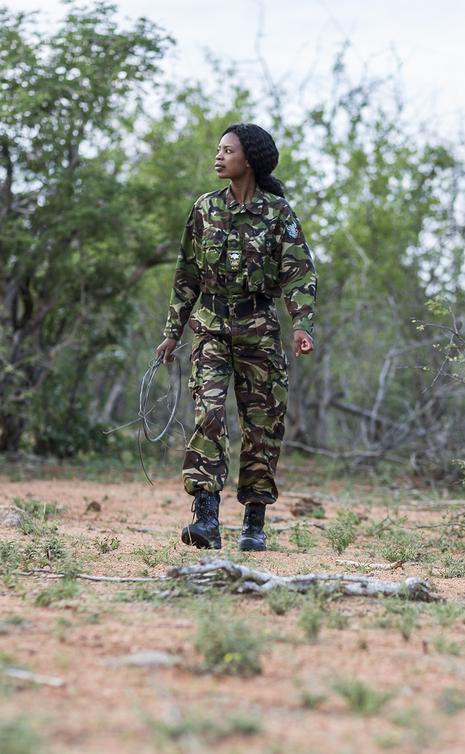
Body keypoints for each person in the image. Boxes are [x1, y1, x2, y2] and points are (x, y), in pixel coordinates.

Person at [155, 123, 317, 552]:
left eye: (228, 150)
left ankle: (254, 524)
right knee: (207, 414)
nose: (219, 156)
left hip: (259, 331)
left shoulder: (278, 213)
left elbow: (299, 274)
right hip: (209, 327)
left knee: (261, 426)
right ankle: (205, 518)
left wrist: (301, 324)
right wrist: (172, 332)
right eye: (218, 149)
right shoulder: (205, 208)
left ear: (250, 160)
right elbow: (186, 273)